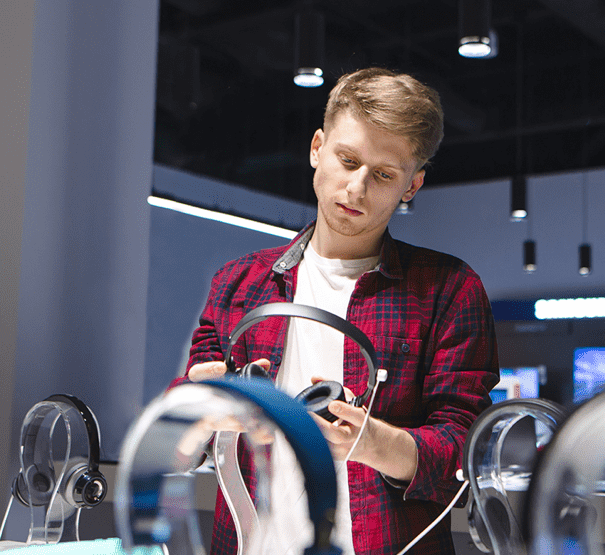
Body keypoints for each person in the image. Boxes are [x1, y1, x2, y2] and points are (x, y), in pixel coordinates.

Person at [174, 67, 496, 555]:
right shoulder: (237, 283)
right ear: (316, 148)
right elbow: (181, 437)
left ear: (412, 185)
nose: (357, 188)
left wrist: (373, 444)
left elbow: (465, 450)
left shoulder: (449, 289)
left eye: (384, 175)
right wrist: (197, 407)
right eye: (347, 160)